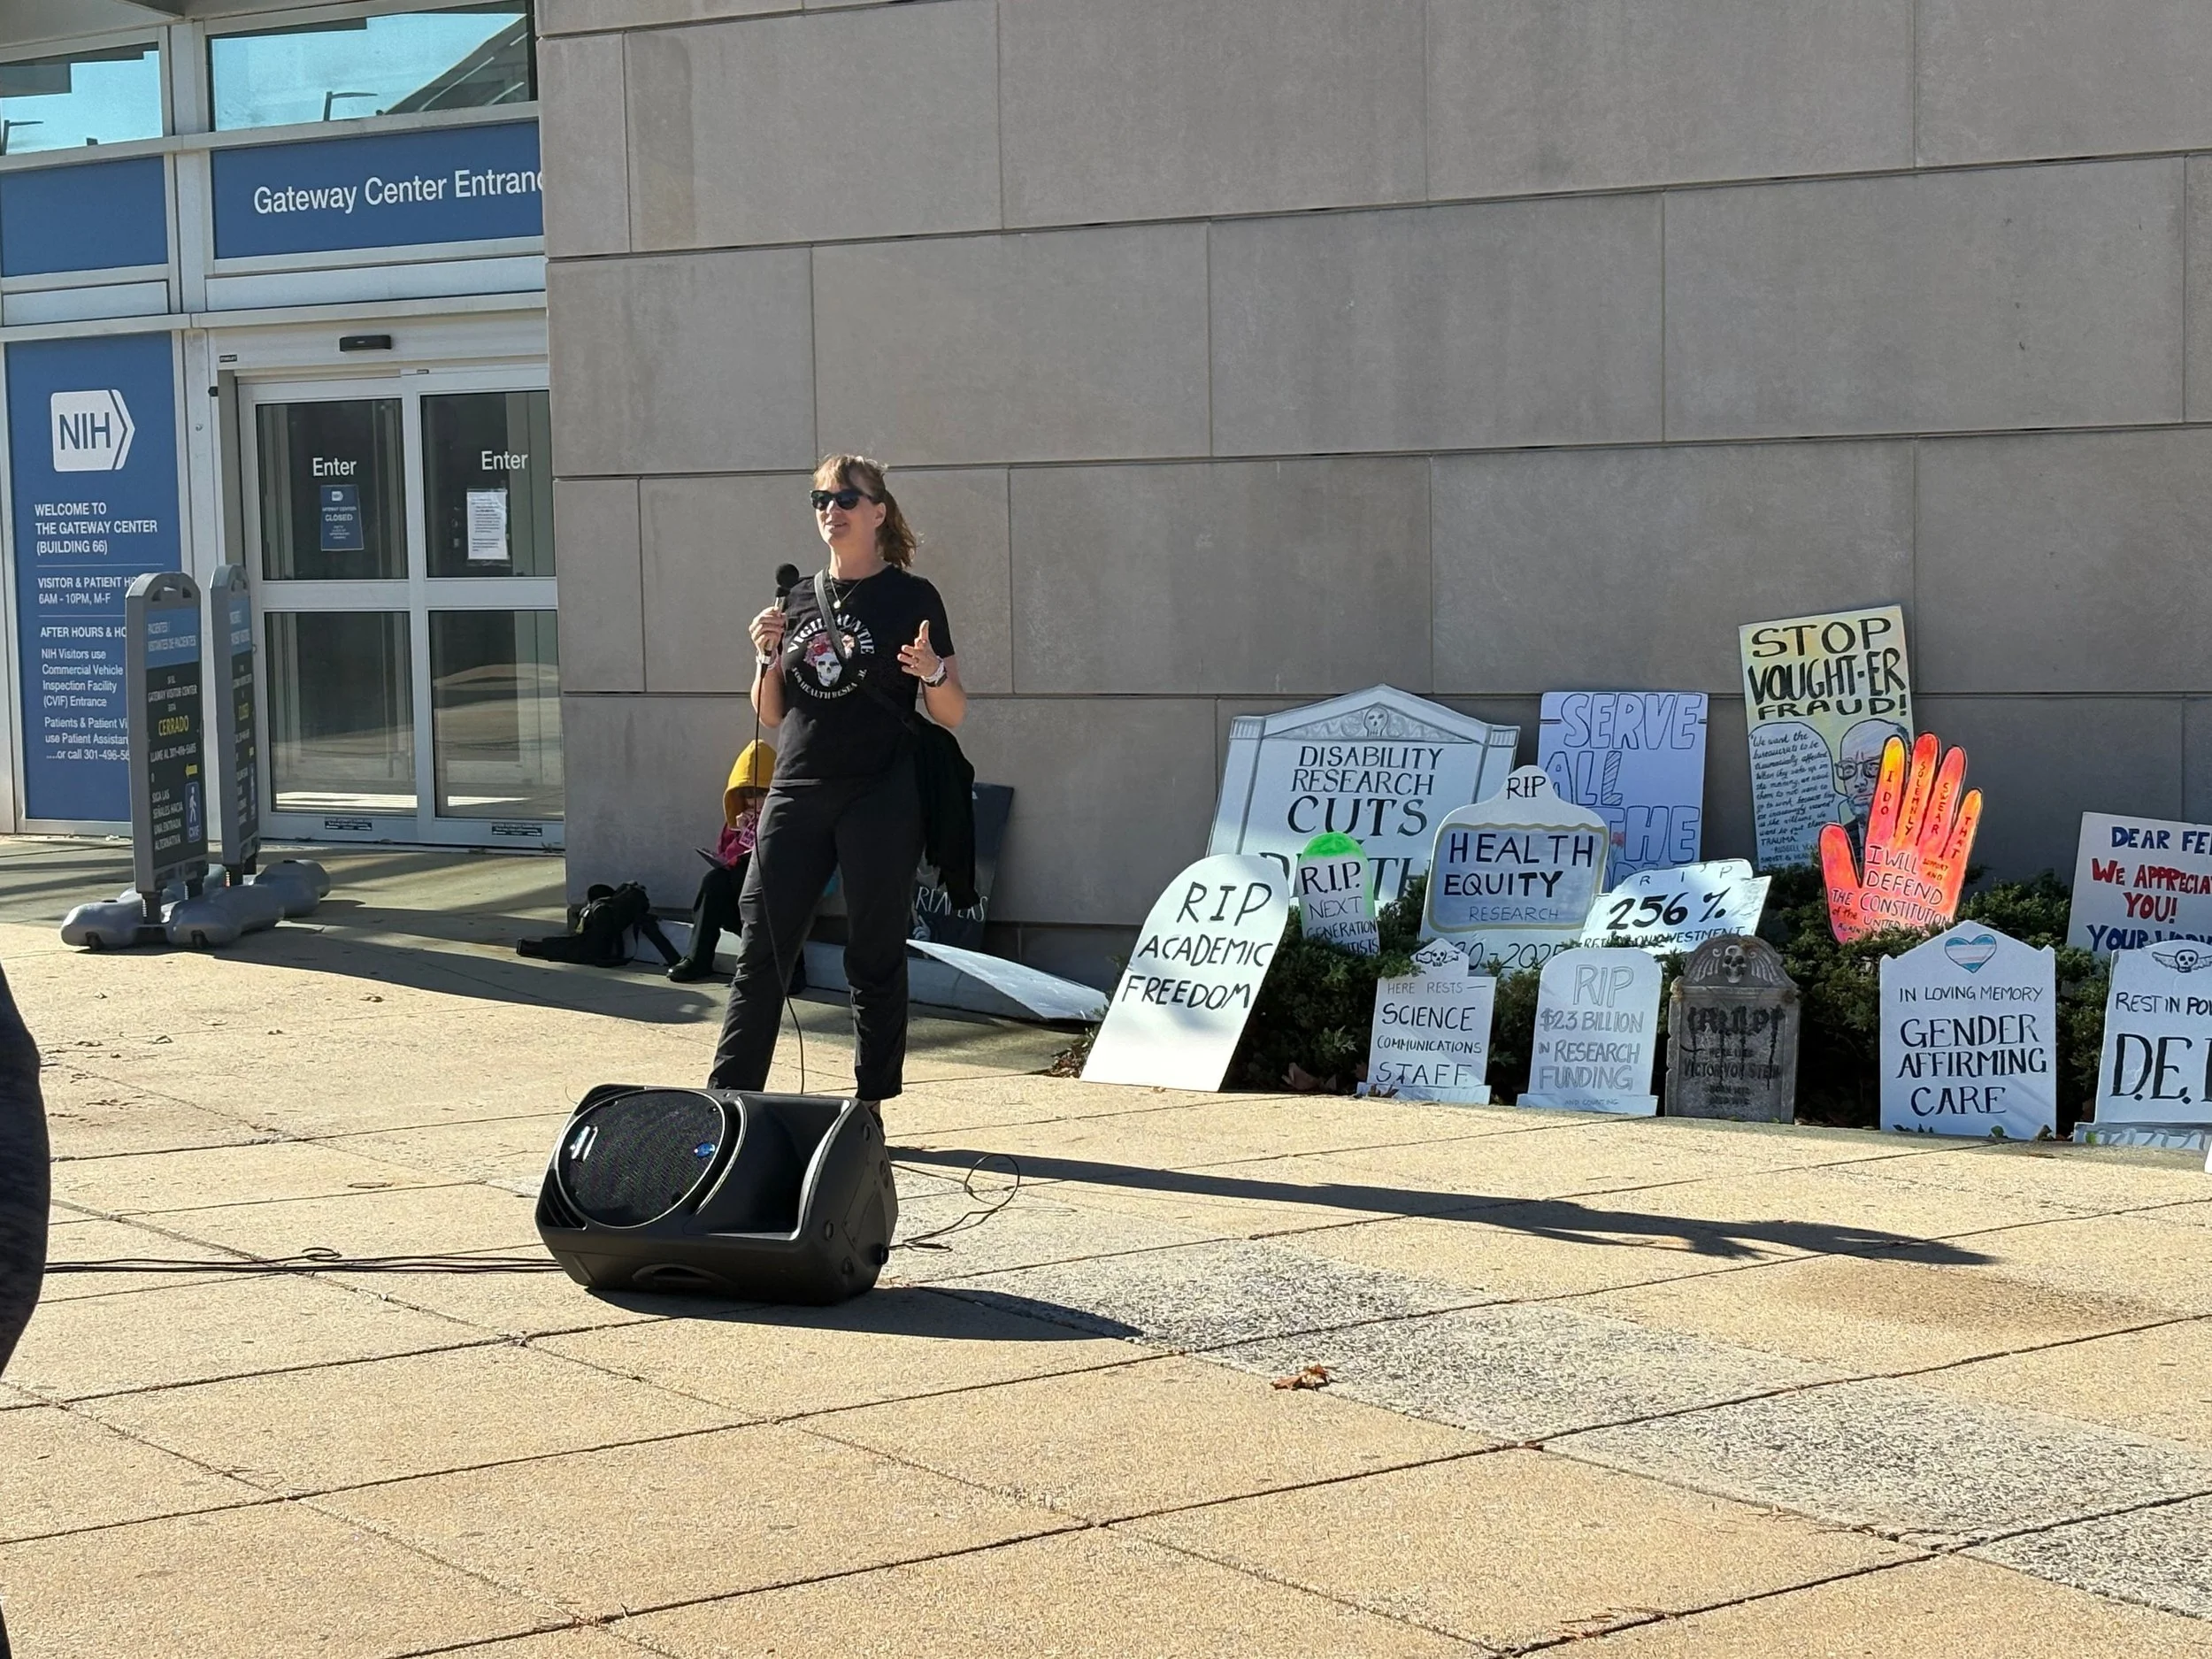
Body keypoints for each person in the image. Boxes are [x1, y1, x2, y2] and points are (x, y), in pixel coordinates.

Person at [708, 455, 965, 1109]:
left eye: (847, 498)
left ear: (879, 511)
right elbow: (770, 711)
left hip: (880, 790)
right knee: (761, 948)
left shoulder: (913, 597)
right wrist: (763, 657)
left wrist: (933, 671)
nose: (832, 509)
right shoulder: (794, 597)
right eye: (820, 498)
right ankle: (730, 1101)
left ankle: (870, 1107)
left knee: (873, 953)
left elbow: (953, 710)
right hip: (797, 786)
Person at [667, 741, 776, 984]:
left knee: (743, 876)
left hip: (777, 900)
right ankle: (698, 958)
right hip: (741, 900)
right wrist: (739, 831)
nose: (753, 802)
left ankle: (788, 970)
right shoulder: (739, 820)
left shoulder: (787, 818)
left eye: (760, 794)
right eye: (747, 795)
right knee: (714, 880)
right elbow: (725, 856)